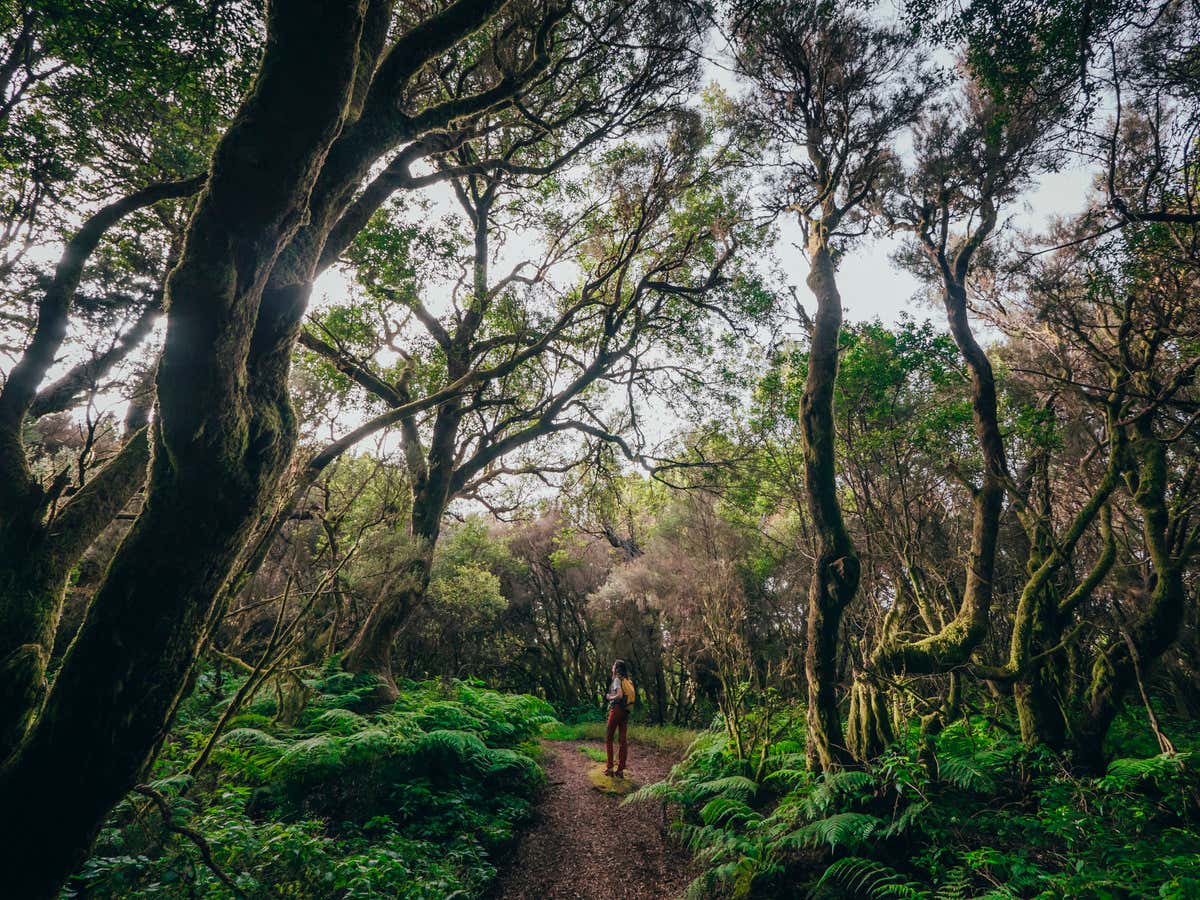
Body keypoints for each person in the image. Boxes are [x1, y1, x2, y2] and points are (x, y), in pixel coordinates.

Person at [604, 659, 635, 777]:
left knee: (609, 737)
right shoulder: (628, 681)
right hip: (626, 712)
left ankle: (610, 768)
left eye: (613, 665)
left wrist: (609, 697)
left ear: (616, 669)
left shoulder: (617, 679)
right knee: (623, 741)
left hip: (617, 710)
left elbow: (619, 695)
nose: (612, 667)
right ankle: (620, 770)